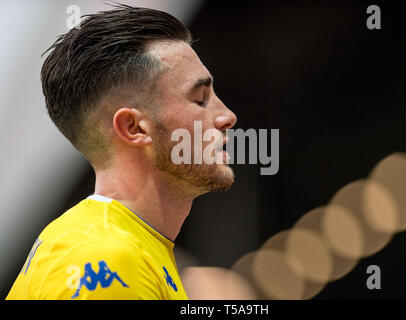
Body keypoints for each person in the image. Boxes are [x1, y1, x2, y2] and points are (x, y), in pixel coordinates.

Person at [6, 4, 237, 300]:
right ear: (134, 128)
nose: (227, 116)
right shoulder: (106, 259)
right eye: (200, 99)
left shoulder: (128, 246)